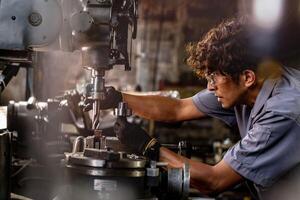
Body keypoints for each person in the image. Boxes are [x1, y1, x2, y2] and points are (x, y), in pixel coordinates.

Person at [86, 17, 300, 199]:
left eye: (214, 76)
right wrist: (118, 98)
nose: (209, 86)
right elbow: (177, 109)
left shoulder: (281, 114)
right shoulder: (253, 85)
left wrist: (147, 146)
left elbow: (215, 181)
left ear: (247, 77)